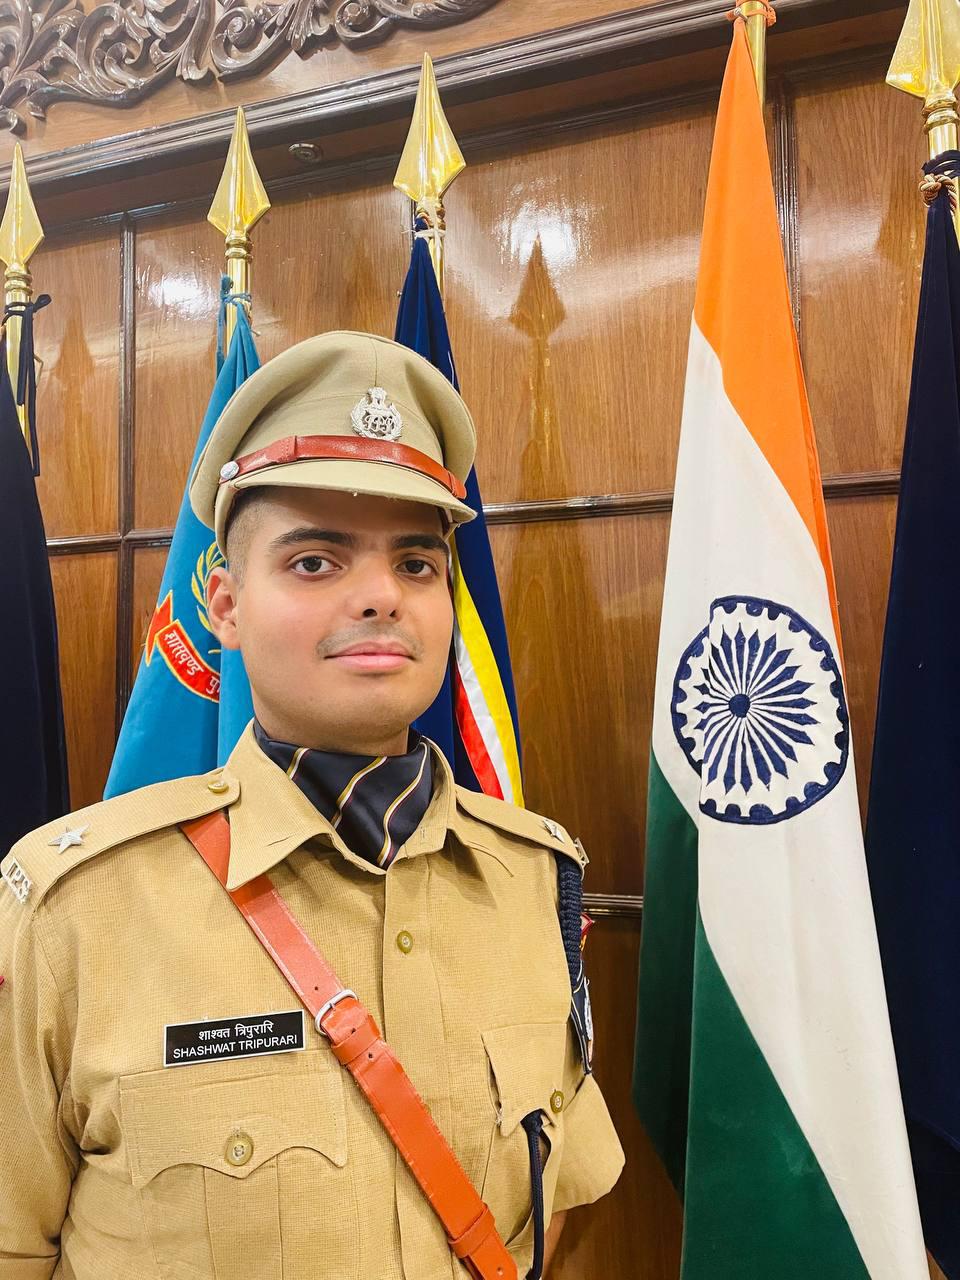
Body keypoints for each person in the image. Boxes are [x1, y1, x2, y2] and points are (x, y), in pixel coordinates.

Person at [0, 331, 624, 1279]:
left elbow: (555, 1205)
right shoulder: (73, 911)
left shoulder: (533, 878)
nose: (380, 597)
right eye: (315, 562)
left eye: (416, 565)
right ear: (223, 606)